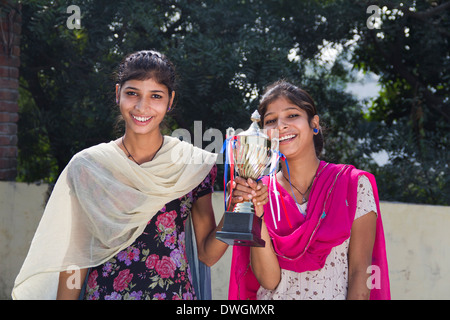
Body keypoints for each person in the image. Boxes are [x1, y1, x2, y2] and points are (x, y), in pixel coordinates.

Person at [12, 50, 267, 300]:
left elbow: (208, 255)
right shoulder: (91, 167)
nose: (142, 106)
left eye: (155, 95)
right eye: (132, 93)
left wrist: (235, 206)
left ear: (170, 101)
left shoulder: (192, 166)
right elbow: (76, 255)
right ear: (117, 94)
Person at [228, 80, 390, 300]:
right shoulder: (258, 191)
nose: (281, 126)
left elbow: (360, 274)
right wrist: (257, 213)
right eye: (271, 121)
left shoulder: (352, 185)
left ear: (314, 124)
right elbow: (269, 281)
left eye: (292, 115)